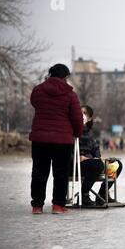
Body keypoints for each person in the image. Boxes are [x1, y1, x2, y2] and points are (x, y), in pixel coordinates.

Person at [29, 64, 83, 214]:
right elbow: (77, 118)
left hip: (40, 138)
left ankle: (37, 206)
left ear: (50, 74)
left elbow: (34, 103)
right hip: (62, 140)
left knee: (39, 172)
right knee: (60, 172)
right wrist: (78, 133)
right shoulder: (70, 94)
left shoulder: (38, 90)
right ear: (65, 77)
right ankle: (58, 205)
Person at [72, 105, 123, 206]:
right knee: (97, 165)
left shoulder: (90, 132)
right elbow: (66, 150)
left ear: (90, 118)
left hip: (91, 162)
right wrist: (77, 157)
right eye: (80, 112)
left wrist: (97, 157)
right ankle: (83, 195)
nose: (82, 115)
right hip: (75, 165)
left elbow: (95, 149)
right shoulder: (71, 130)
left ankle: (102, 194)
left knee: (117, 165)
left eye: (85, 113)